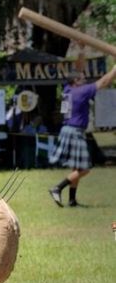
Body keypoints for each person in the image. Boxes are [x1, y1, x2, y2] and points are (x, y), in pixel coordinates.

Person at [48, 63, 116, 207]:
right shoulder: (82, 92)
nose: (85, 80)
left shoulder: (67, 89)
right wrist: (115, 68)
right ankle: (57, 188)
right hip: (74, 132)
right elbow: (104, 81)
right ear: (76, 81)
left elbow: (78, 70)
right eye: (82, 79)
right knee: (85, 168)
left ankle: (72, 201)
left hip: (67, 129)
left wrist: (81, 49)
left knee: (76, 168)